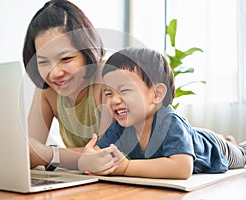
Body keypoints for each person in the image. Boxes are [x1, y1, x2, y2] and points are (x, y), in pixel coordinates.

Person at [78, 47, 246, 179]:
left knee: (242, 155)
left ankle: (230, 143)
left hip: (215, 148)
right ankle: (228, 138)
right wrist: (90, 159)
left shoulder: (169, 120)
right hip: (192, 135)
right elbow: (99, 153)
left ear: (156, 94)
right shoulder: (120, 127)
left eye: (124, 90)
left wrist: (126, 167)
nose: (114, 100)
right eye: (109, 93)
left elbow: (182, 167)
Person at [22, 0, 113, 170]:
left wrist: (49, 155)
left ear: (87, 52)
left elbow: (106, 155)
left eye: (65, 59)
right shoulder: (48, 89)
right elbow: (31, 150)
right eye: (43, 62)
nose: (54, 72)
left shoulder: (108, 77)